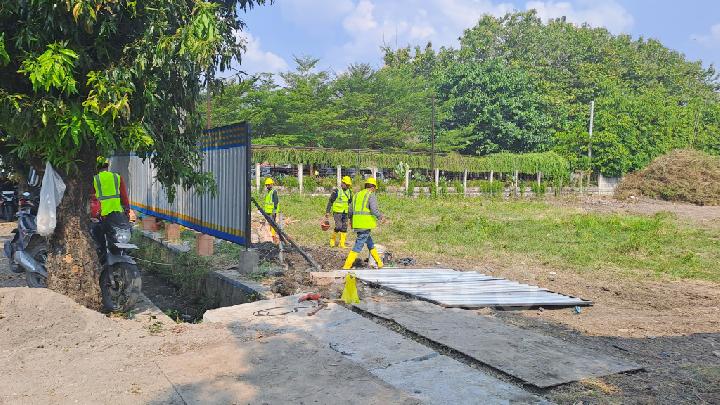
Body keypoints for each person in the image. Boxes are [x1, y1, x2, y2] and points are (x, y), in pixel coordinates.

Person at [90, 157, 131, 259]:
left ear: (96, 167)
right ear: (107, 166)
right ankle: (123, 251)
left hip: (102, 214)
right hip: (117, 213)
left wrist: (93, 213)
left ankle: (100, 253)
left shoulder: (95, 179)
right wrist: (127, 211)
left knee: (97, 235)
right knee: (127, 230)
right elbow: (124, 197)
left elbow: (92, 198)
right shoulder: (117, 177)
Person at [343, 177, 385, 269]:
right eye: (375, 189)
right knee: (358, 245)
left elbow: (350, 210)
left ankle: (379, 263)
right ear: (373, 187)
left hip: (357, 224)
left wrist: (351, 220)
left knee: (369, 242)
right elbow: (374, 210)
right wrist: (381, 216)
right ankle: (347, 265)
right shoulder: (371, 195)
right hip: (365, 224)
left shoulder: (357, 195)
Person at [326, 176, 353, 248]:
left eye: (348, 185)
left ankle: (342, 244)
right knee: (338, 226)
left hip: (345, 212)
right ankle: (332, 240)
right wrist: (327, 211)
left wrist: (351, 213)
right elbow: (330, 201)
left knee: (344, 227)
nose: (347, 186)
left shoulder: (349, 192)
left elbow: (350, 202)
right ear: (342, 183)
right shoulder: (336, 191)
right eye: (346, 184)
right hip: (337, 212)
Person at [263, 177, 279, 244]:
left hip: (272, 211)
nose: (267, 186)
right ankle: (271, 235)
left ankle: (273, 236)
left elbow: (276, 202)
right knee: (270, 223)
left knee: (273, 224)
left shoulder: (273, 192)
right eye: (267, 185)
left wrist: (274, 211)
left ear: (271, 184)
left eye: (269, 185)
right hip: (268, 211)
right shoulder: (268, 192)